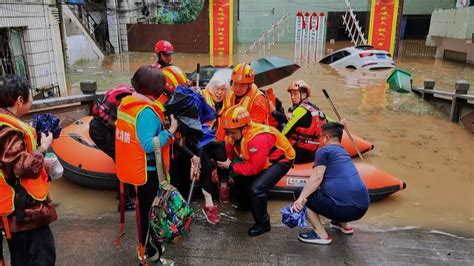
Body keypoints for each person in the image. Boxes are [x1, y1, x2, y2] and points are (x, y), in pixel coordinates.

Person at [115, 65, 178, 263]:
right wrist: (171, 130)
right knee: (151, 214)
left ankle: (146, 248)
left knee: (145, 212)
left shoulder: (127, 104)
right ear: (157, 91)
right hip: (148, 172)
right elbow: (149, 145)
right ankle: (150, 251)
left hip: (135, 169)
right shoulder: (147, 112)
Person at [0, 74, 56, 265]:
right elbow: (19, 166)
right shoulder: (7, 130)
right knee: (42, 256)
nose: (32, 99)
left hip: (14, 207)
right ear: (20, 100)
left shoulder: (6, 124)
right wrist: (43, 147)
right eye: (31, 95)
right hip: (23, 211)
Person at [217, 105, 295, 236]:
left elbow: (254, 168)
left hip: (282, 160)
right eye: (228, 132)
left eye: (233, 133)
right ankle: (247, 205)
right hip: (262, 158)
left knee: (257, 189)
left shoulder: (257, 138)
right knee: (240, 179)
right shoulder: (234, 135)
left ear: (244, 128)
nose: (230, 135)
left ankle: (263, 224)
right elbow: (229, 153)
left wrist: (230, 166)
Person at [292, 122, 370, 245]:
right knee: (333, 189)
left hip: (345, 209)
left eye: (320, 137)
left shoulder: (324, 151)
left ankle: (320, 234)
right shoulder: (343, 152)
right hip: (362, 207)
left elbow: (317, 177)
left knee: (300, 192)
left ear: (327, 137)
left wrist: (300, 199)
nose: (319, 140)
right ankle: (344, 225)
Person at [89, 84, 136, 211]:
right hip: (102, 131)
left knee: (123, 159)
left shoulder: (126, 92)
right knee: (123, 161)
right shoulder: (129, 98)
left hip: (99, 126)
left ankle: (126, 193)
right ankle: (124, 201)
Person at [201, 71, 231, 204]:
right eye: (217, 89)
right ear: (211, 89)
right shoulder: (202, 99)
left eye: (223, 89)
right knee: (206, 166)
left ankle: (224, 185)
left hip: (219, 141)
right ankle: (208, 199)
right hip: (203, 142)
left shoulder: (227, 104)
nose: (220, 93)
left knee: (222, 158)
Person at [281, 80, 327, 164]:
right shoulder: (316, 109)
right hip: (313, 153)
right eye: (291, 94)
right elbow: (331, 122)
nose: (292, 97)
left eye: (295, 94)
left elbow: (284, 134)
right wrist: (340, 123)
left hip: (298, 153)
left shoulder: (300, 110)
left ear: (304, 95)